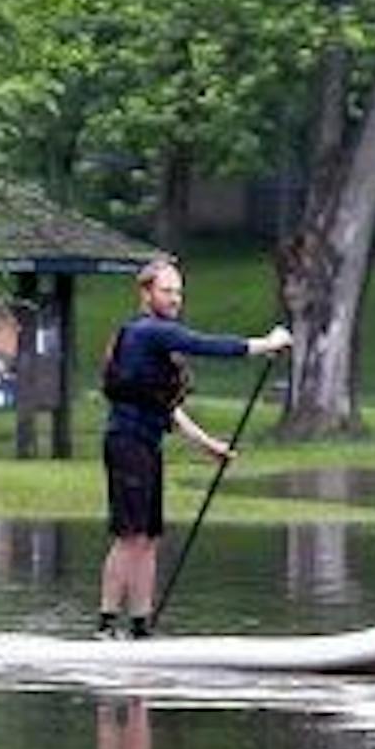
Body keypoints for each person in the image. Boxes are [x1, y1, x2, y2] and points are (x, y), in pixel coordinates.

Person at [98, 257, 291, 638]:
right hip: (126, 444)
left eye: (179, 293)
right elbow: (204, 344)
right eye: (167, 291)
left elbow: (165, 409)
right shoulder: (147, 333)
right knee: (130, 535)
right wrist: (264, 344)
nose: (175, 299)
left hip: (145, 445)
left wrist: (208, 446)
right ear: (146, 293)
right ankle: (105, 627)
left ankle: (140, 626)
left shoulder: (156, 341)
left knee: (150, 538)